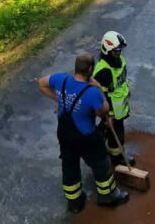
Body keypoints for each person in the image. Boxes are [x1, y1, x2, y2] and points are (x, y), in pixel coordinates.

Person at [37, 53, 129, 213]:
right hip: (85, 137)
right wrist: (99, 87)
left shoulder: (61, 80)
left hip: (64, 135)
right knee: (101, 163)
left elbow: (41, 83)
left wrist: (59, 100)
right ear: (91, 69)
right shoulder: (92, 92)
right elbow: (104, 111)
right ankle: (107, 196)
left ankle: (74, 203)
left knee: (69, 165)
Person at [93, 32, 132, 169]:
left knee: (116, 131)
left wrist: (127, 87)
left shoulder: (119, 60)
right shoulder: (104, 71)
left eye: (120, 50)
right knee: (113, 133)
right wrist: (108, 116)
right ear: (107, 50)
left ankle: (115, 155)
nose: (119, 52)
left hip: (119, 108)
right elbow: (100, 95)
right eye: (116, 50)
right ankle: (115, 159)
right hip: (111, 110)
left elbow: (122, 78)